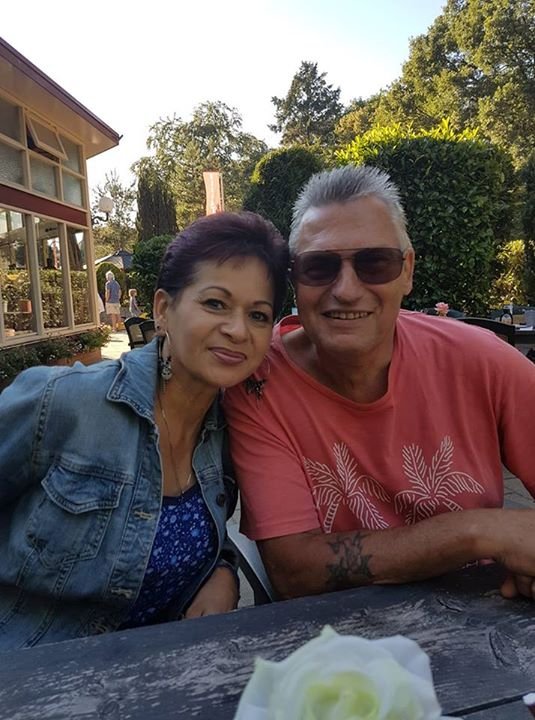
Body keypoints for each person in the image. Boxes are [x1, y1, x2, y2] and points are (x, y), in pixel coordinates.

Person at [225, 165, 535, 602]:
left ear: (406, 270)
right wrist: (479, 531)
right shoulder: (259, 384)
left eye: (374, 263)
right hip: (336, 636)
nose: (346, 290)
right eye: (319, 267)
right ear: (294, 280)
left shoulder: (480, 359)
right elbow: (294, 571)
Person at [0, 211, 288, 651]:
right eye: (215, 304)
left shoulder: (233, 430)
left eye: (259, 315)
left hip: (161, 673)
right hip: (31, 671)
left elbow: (204, 536)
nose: (237, 330)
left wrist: (223, 571)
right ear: (163, 309)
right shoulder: (66, 402)